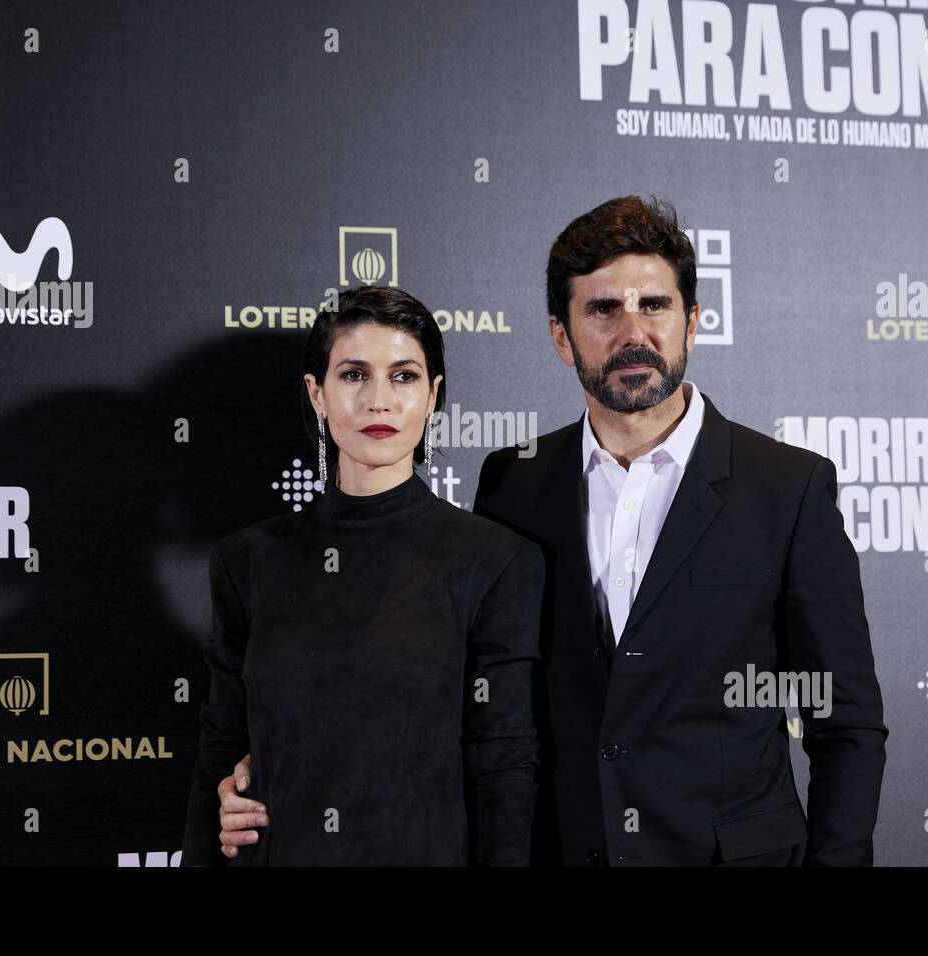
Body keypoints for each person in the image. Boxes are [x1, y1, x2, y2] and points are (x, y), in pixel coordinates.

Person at [215, 197, 887, 866]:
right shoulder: (515, 484)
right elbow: (474, 705)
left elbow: (844, 720)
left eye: (654, 305)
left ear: (693, 324)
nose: (633, 332)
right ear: (560, 336)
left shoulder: (786, 486)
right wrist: (276, 761)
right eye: (602, 310)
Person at [180, 286, 541, 866]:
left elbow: (503, 764)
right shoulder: (248, 560)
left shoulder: (495, 559)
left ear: (433, 396)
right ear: (316, 393)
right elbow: (222, 748)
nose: (379, 400)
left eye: (404, 377)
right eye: (353, 375)